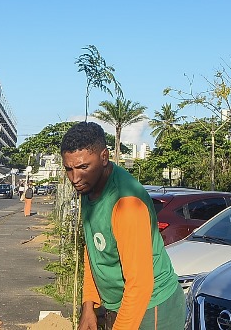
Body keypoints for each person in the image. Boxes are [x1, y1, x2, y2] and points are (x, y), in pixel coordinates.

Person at [61, 122, 181, 330]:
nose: (75, 178)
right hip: (119, 304)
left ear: (104, 157)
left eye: (83, 167)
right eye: (68, 169)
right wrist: (88, 305)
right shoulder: (88, 188)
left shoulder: (127, 204)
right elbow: (93, 248)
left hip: (151, 309)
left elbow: (140, 285)